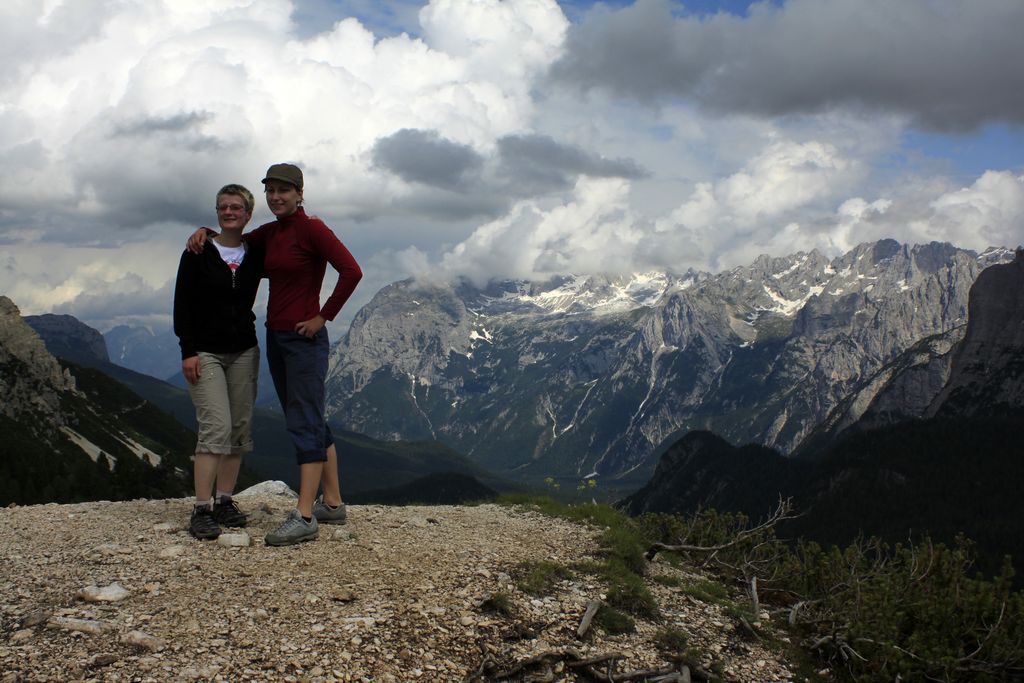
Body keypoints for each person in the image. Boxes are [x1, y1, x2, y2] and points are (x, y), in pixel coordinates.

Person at [188, 163, 362, 546]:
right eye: (270, 190)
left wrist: (322, 317)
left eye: (284, 190)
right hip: (276, 337)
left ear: (300, 193)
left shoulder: (312, 228)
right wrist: (208, 232)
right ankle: (331, 503)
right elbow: (237, 240)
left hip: (304, 339)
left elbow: (351, 271)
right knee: (310, 417)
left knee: (303, 422)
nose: (276, 197)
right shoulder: (272, 232)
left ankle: (304, 515)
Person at [174, 184, 264, 540]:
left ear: (247, 214)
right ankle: (201, 508)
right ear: (216, 212)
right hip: (205, 351)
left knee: (239, 428)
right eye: (223, 207)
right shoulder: (197, 251)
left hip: (244, 348)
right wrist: (188, 350)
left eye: (236, 207)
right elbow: (182, 304)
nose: (228, 212)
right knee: (215, 427)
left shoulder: (255, 252)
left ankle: (225, 500)